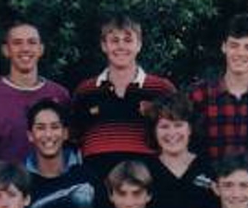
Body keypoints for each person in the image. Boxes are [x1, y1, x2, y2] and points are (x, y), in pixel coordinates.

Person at [71, 13, 177, 179]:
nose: (121, 46)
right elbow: (74, 138)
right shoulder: (85, 91)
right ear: (104, 45)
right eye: (114, 40)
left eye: (128, 40)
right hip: (97, 185)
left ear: (139, 45)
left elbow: (176, 138)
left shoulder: (162, 89)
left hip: (148, 186)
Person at [0, 21, 71, 171]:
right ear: (6, 50)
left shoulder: (59, 94)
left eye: (32, 42)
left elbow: (69, 150)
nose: (25, 49)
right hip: (4, 189)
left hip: (53, 191)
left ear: (41, 49)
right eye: (17, 43)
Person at [187, 13, 248, 160]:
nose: (240, 53)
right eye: (234, 45)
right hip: (208, 181)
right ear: (224, 47)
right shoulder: (198, 94)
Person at [23, 99, 102, 208]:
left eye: (55, 127)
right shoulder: (20, 183)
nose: (48, 135)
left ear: (65, 133)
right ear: (30, 135)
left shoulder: (88, 179)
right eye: (40, 128)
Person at [146, 93, 220, 208]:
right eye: (164, 126)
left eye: (178, 125)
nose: (172, 133)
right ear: (154, 131)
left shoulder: (211, 169)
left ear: (190, 129)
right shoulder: (144, 172)